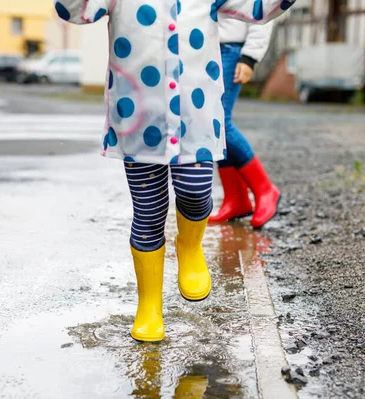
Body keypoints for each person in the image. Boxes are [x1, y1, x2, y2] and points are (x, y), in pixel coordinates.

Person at [53, 0, 295, 342]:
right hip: (138, 115)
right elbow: (74, 11)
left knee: (196, 193)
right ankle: (149, 305)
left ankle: (190, 246)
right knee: (148, 212)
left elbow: (260, 8)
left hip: (195, 114)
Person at [209, 18, 280, 228]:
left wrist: (249, 57)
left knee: (219, 121)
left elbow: (262, 12)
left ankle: (266, 189)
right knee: (210, 125)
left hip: (231, 50)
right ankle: (236, 199)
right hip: (204, 50)